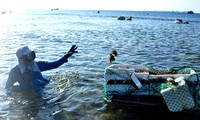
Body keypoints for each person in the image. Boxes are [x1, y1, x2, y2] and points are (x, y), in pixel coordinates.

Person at [5, 45, 78, 94]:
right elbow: (7, 88)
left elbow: (55, 64)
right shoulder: (14, 72)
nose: (32, 59)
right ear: (21, 59)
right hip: (28, 89)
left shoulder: (37, 65)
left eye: (33, 55)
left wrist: (67, 55)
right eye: (29, 57)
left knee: (34, 83)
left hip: (44, 85)